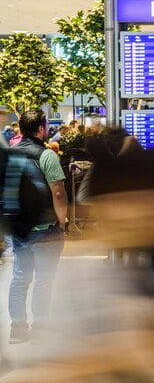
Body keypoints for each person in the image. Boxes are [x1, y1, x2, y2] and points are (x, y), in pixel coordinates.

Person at [7, 109, 68, 344]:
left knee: (20, 277)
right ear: (42, 129)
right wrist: (62, 222)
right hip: (45, 229)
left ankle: (17, 329)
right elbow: (59, 193)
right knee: (44, 279)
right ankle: (40, 329)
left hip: (19, 227)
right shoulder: (46, 156)